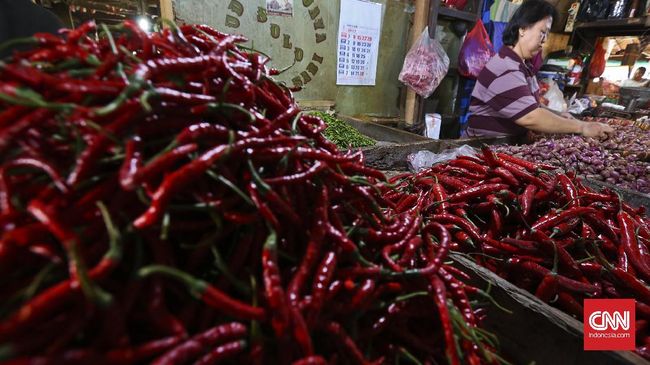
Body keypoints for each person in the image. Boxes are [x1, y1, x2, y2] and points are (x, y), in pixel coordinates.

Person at [465, 0, 613, 139]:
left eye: (547, 34)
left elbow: (531, 106)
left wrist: (559, 115)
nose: (545, 40)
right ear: (522, 29)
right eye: (542, 32)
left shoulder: (523, 66)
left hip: (502, 150)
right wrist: (581, 127)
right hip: (482, 151)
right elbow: (530, 116)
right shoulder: (505, 67)